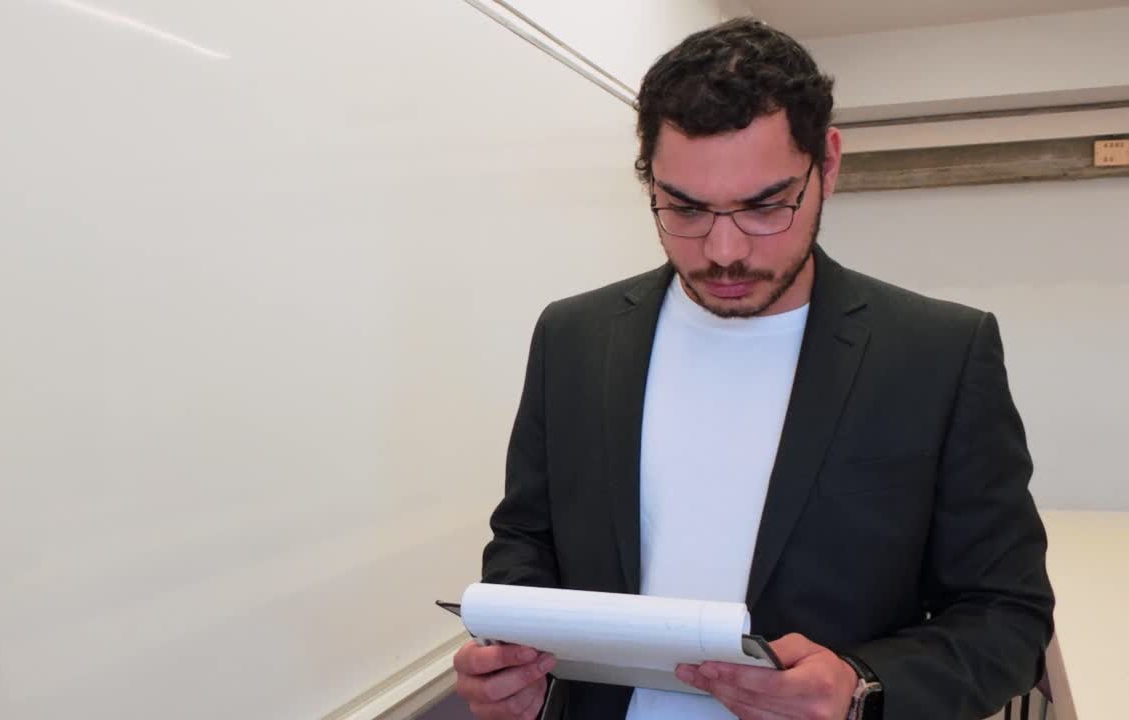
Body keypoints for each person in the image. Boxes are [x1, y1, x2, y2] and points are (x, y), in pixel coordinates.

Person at [450, 17, 1055, 720]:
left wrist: (861, 686)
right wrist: (513, 656)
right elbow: (527, 539)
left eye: (765, 205)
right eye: (685, 208)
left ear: (827, 164)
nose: (725, 249)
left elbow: (1007, 617)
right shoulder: (575, 338)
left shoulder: (940, 354)